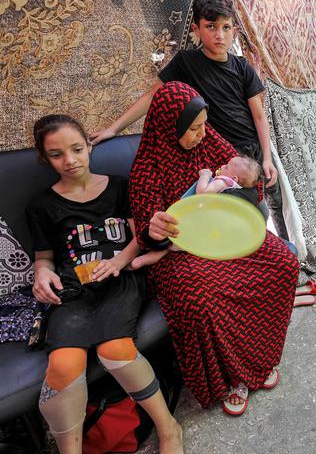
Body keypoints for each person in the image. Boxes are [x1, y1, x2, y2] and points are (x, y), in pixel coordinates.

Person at [128, 81, 300, 416]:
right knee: (199, 299)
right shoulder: (146, 171)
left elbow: (250, 183)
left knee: (283, 264)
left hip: (227, 235)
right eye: (193, 129)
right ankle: (231, 378)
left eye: (204, 125)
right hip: (181, 252)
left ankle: (259, 357)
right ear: (168, 127)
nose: (203, 134)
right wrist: (156, 229)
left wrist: (245, 200)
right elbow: (149, 235)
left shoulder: (210, 142)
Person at [26, 114, 182, 453]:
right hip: (74, 289)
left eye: (77, 149)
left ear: (89, 146)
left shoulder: (119, 187)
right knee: (64, 364)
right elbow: (44, 258)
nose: (69, 160)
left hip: (121, 278)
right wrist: (42, 274)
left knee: (115, 350)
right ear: (44, 158)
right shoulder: (41, 206)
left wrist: (118, 261)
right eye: (56, 155)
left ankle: (168, 427)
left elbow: (140, 236)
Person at [90, 0, 288, 240]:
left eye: (226, 27)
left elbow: (259, 116)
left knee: (263, 209)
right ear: (196, 29)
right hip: (219, 156)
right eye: (211, 26)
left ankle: (284, 248)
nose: (219, 35)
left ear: (234, 30)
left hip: (251, 155)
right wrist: (113, 129)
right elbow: (152, 96)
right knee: (225, 217)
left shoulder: (242, 67)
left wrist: (267, 159)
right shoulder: (186, 62)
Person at [129, 154, 262, 270]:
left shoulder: (224, 182)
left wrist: (205, 175)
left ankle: (143, 260)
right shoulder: (239, 190)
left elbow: (202, 193)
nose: (222, 166)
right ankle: (143, 260)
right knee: (173, 246)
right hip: (211, 231)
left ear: (235, 178)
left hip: (199, 222)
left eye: (227, 167)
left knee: (173, 238)